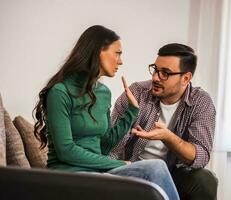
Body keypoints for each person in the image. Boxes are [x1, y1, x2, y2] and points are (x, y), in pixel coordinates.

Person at [33, 25, 179, 200]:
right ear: (98, 52)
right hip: (68, 175)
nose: (121, 61)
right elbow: (66, 150)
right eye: (117, 53)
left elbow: (104, 145)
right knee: (147, 173)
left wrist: (132, 112)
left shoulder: (103, 92)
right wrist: (117, 163)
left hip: (99, 171)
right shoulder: (60, 92)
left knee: (157, 166)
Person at [110, 43, 218, 200]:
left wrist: (168, 137)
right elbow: (112, 146)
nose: (155, 77)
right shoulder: (136, 93)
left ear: (186, 78)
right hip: (133, 168)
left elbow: (200, 156)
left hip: (174, 174)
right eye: (155, 69)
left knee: (205, 179)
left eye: (165, 73)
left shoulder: (201, 102)